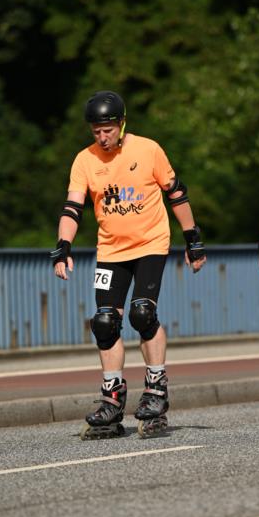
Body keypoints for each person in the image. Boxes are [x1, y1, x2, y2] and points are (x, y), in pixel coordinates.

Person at [51, 90, 206, 438]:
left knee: (141, 313)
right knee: (104, 323)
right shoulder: (84, 160)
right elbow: (72, 207)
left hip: (151, 243)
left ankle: (155, 389)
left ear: (121, 124)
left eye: (107, 129)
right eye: (96, 131)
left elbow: (176, 193)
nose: (102, 137)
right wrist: (63, 246)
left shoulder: (148, 149)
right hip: (111, 250)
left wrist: (193, 239)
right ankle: (113, 397)